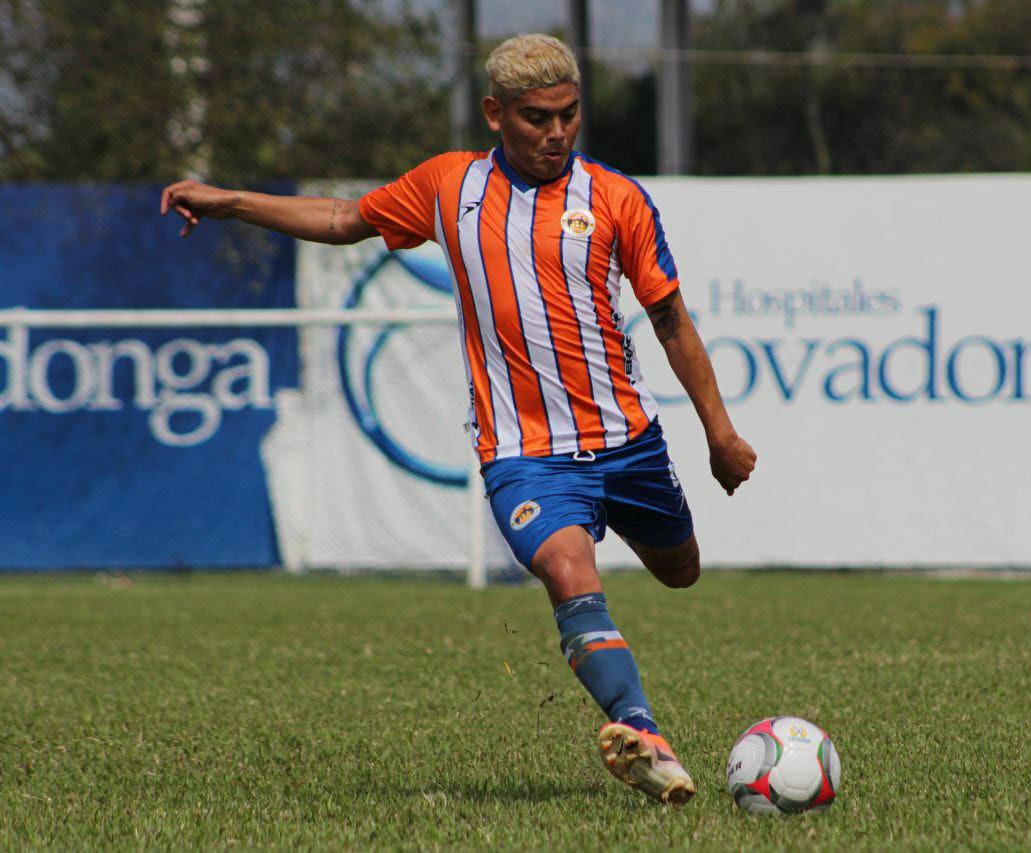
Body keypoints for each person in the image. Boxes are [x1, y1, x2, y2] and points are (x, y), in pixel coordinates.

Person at [159, 33, 755, 806]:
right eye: (538, 117)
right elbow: (344, 217)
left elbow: (671, 320)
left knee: (681, 571)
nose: (557, 133)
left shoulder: (616, 198)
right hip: (522, 451)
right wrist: (233, 200)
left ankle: (641, 693)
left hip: (625, 439)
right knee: (569, 573)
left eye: (569, 115)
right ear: (495, 114)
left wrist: (719, 431)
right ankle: (645, 735)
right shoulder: (451, 186)